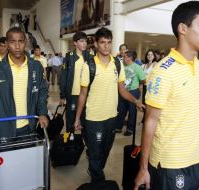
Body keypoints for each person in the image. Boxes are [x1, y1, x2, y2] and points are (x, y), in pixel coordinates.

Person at [134, 1, 199, 190]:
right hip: (170, 164)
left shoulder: (196, 64)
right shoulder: (163, 71)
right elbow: (151, 121)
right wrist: (143, 167)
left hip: (195, 159)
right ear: (183, 29)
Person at [74, 27, 143, 183]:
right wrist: (77, 118)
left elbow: (122, 89)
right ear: (96, 44)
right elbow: (83, 94)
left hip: (112, 117)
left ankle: (95, 169)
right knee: (96, 153)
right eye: (102, 42)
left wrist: (136, 101)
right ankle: (98, 180)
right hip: (93, 118)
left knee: (104, 151)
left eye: (109, 42)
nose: (106, 46)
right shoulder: (89, 66)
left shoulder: (117, 64)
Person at [0, 27, 49, 139]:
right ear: (7, 44)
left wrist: (42, 113)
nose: (17, 46)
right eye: (12, 42)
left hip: (29, 128)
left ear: (25, 43)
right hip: (3, 129)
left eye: (20, 41)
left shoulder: (36, 66)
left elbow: (42, 91)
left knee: (27, 157)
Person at [60, 31, 88, 132]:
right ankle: (69, 142)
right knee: (70, 122)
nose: (84, 43)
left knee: (85, 122)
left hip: (86, 95)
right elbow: (63, 77)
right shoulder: (69, 57)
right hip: (72, 94)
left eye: (85, 41)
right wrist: (62, 95)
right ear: (75, 43)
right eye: (81, 41)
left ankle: (85, 143)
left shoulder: (89, 57)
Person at [116, 50, 146, 136]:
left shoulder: (137, 67)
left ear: (129, 58)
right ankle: (118, 127)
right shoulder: (122, 66)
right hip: (122, 91)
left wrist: (137, 84)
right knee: (121, 110)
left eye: (124, 57)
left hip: (133, 91)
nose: (123, 58)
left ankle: (130, 129)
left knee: (132, 111)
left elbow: (143, 79)